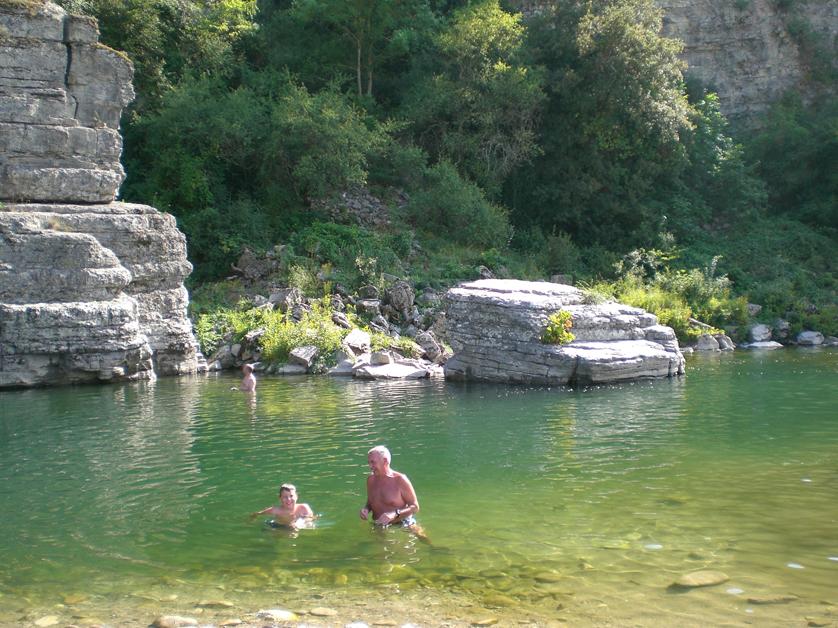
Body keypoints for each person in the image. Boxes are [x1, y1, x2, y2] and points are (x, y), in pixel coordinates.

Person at [360, 445, 427, 541]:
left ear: (385, 461)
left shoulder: (400, 480)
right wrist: (366, 509)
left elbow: (415, 507)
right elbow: (371, 500)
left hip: (403, 522)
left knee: (425, 542)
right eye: (369, 463)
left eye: (373, 462)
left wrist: (394, 514)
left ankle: (434, 549)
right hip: (379, 524)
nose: (370, 466)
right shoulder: (370, 479)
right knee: (379, 552)